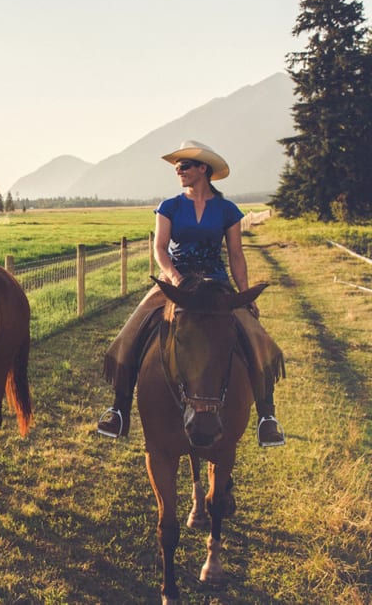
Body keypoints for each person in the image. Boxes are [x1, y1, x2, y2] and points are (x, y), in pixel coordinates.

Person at [96, 140, 286, 447]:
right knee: (130, 332)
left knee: (256, 335)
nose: (178, 171)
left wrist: (245, 294)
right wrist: (175, 277)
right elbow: (160, 249)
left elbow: (236, 255)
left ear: (203, 169)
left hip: (216, 283)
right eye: (176, 167)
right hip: (175, 280)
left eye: (184, 166)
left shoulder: (227, 210)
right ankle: (118, 410)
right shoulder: (169, 206)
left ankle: (267, 416)